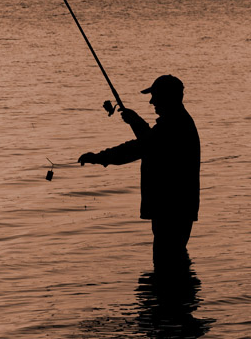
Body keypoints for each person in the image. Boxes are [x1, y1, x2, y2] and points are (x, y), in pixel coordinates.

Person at [79, 75, 200, 271]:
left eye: (155, 96)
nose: (151, 102)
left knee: (167, 264)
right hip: (176, 209)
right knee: (175, 264)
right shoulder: (176, 123)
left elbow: (141, 148)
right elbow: (152, 142)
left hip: (171, 209)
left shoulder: (174, 126)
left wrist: (99, 158)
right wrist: (135, 121)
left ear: (167, 97)